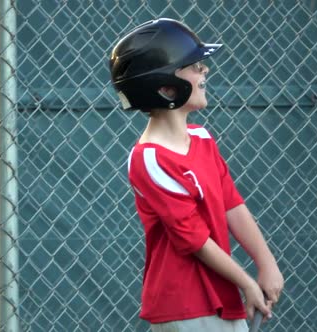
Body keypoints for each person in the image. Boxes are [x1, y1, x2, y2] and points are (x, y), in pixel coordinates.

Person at [109, 18, 284, 331]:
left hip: (219, 294)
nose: (205, 71)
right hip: (186, 303)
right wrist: (247, 282)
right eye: (193, 65)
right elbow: (194, 239)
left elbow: (232, 204)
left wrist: (266, 263)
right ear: (165, 87)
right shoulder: (149, 159)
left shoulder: (202, 138)